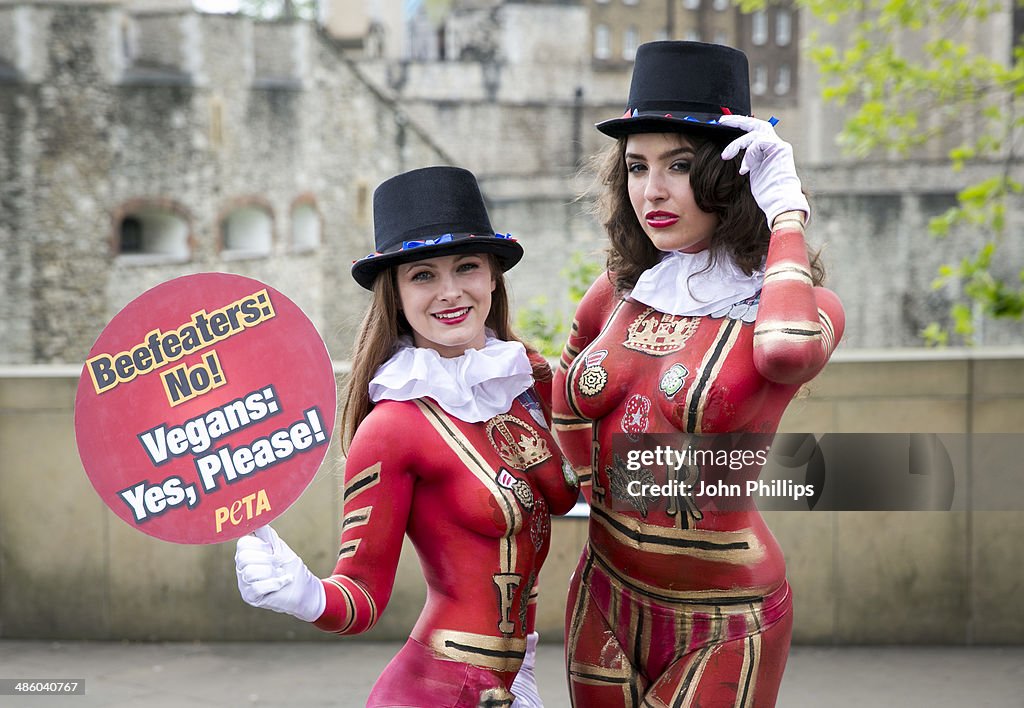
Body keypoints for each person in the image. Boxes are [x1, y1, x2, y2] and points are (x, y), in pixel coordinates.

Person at [552, 42, 846, 706]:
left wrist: (786, 216)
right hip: (602, 597)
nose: (651, 190)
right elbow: (564, 396)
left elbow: (786, 353)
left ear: (728, 173)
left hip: (727, 619)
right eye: (636, 166)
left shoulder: (801, 306)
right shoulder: (619, 291)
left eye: (679, 165)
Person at [234, 166, 580, 707]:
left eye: (466, 267)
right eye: (422, 275)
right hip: (436, 691)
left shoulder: (523, 381)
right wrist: (298, 593)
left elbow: (568, 490)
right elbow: (360, 599)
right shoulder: (392, 427)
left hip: (515, 682)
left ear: (493, 276)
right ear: (395, 292)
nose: (450, 292)